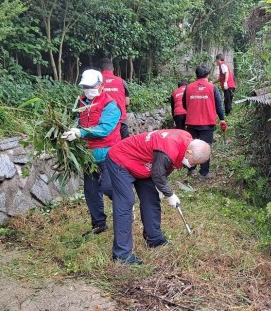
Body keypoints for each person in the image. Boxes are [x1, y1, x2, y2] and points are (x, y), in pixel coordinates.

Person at [107, 129, 211, 264]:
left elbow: (163, 168)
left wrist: (161, 186)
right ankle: (121, 255)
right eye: (193, 163)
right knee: (126, 202)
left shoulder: (186, 139)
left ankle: (154, 239)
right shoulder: (169, 149)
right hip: (121, 159)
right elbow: (158, 172)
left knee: (151, 198)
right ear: (189, 152)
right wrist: (170, 194)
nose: (191, 166)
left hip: (144, 164)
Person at [62, 69, 122, 237]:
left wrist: (81, 133)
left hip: (108, 153)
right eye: (85, 86)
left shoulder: (110, 104)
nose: (88, 89)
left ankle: (125, 207)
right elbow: (77, 121)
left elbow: (105, 129)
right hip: (89, 155)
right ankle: (99, 224)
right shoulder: (81, 103)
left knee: (108, 187)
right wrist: (70, 130)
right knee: (91, 190)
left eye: (91, 86)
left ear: (101, 85)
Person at [182, 65, 227, 179]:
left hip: (191, 122)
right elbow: (218, 105)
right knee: (205, 148)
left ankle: (191, 170)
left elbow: (184, 104)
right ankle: (204, 173)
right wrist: (222, 118)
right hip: (207, 124)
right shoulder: (212, 88)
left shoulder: (188, 87)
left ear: (196, 75)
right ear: (207, 75)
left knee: (191, 147)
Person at [99, 58, 131, 139]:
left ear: (100, 70)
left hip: (102, 123)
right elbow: (127, 102)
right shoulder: (122, 82)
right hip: (121, 122)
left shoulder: (96, 83)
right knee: (125, 148)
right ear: (113, 69)